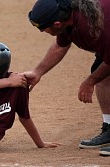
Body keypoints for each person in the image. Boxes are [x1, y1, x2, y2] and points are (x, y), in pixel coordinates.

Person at [25, 0, 110, 156]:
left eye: (44, 29)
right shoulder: (67, 20)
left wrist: (89, 82)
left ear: (57, 23)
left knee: (99, 75)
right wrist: (37, 72)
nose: (43, 32)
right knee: (101, 75)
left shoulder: (91, 24)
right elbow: (60, 46)